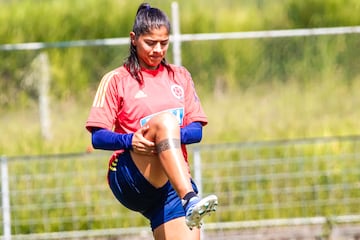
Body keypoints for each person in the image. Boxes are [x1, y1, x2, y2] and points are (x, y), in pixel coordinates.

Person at [85, 3, 217, 240]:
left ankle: (186, 200)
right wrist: (131, 140)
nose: (158, 49)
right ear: (134, 39)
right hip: (130, 175)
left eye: (164, 43)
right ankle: (189, 198)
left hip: (171, 187)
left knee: (166, 126)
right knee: (164, 121)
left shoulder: (180, 76)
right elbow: (97, 136)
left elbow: (196, 130)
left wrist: (165, 138)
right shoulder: (116, 80)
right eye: (150, 42)